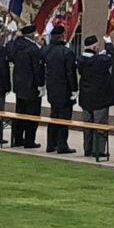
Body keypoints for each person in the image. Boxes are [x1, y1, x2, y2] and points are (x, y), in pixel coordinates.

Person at [78, 34, 114, 158]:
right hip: (100, 98)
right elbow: (113, 58)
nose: (98, 47)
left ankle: (87, 148)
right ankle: (98, 149)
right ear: (93, 47)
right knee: (100, 125)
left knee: (87, 124)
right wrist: (109, 44)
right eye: (97, 45)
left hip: (86, 98)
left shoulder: (81, 59)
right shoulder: (99, 60)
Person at [43, 25, 77, 154]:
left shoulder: (47, 50)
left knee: (54, 116)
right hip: (64, 90)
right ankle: (62, 145)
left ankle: (51, 144)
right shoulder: (66, 52)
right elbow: (70, 73)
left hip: (52, 89)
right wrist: (74, 89)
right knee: (63, 118)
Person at [10, 25, 43, 149]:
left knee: (20, 113)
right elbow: (37, 69)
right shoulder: (33, 49)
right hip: (31, 86)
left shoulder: (17, 46)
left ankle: (18, 138)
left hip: (19, 85)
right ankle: (29, 140)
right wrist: (40, 84)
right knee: (32, 115)